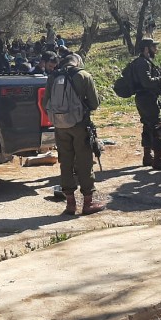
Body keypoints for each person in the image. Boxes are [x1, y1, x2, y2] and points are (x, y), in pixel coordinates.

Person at [42, 53, 105, 215]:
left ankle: (70, 204)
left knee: (66, 162)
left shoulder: (53, 77)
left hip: (60, 127)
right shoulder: (83, 76)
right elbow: (94, 103)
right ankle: (88, 203)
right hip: (79, 125)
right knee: (84, 162)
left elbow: (45, 103)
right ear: (78, 62)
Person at [131, 38, 161, 170]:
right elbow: (147, 82)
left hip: (144, 98)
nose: (156, 49)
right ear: (147, 49)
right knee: (157, 127)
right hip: (147, 99)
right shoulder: (143, 63)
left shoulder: (143, 62)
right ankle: (158, 160)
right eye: (154, 47)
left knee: (147, 126)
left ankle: (148, 157)